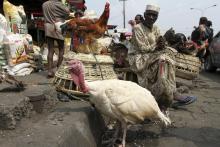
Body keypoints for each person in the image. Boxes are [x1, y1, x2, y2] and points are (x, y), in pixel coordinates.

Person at [128, 4, 196, 112]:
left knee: (169, 55)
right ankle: (171, 94)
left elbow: (160, 44)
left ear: (157, 17)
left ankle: (168, 93)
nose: (151, 17)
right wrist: (160, 42)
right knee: (163, 59)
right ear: (145, 15)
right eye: (149, 14)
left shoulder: (156, 28)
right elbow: (143, 49)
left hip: (151, 54)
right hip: (138, 57)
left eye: (154, 15)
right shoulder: (137, 28)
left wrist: (163, 42)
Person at [42, 0, 70, 78]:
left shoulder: (45, 4)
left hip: (48, 27)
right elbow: (67, 12)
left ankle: (50, 71)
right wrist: (67, 5)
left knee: (50, 50)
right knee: (61, 49)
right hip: (58, 26)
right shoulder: (58, 3)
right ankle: (58, 69)